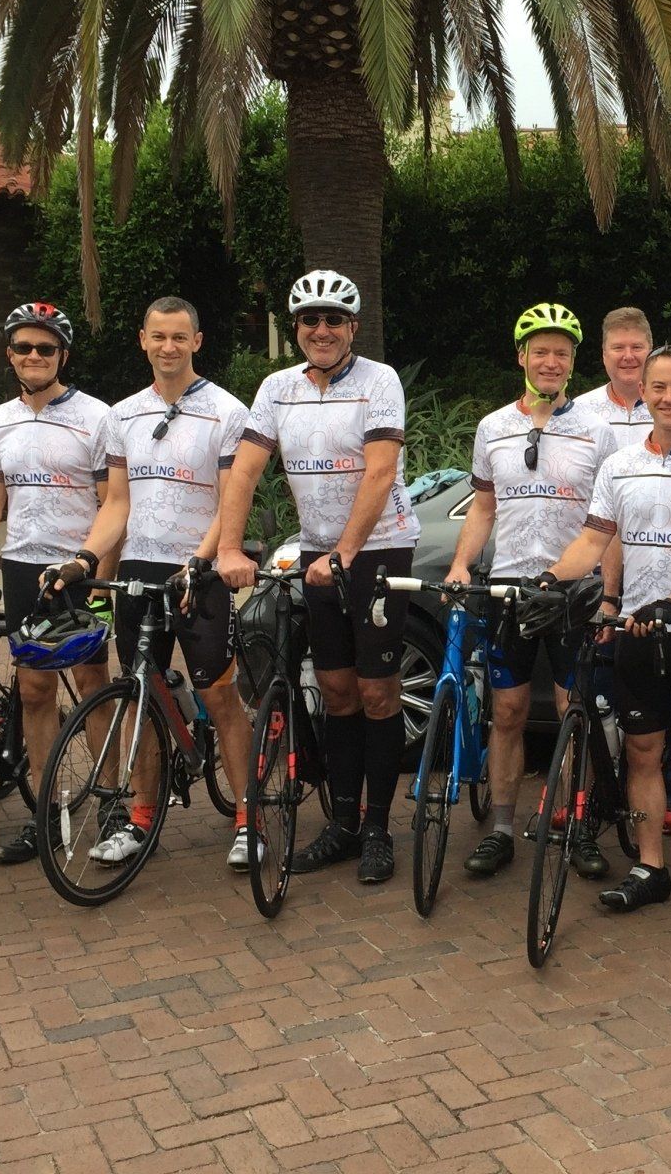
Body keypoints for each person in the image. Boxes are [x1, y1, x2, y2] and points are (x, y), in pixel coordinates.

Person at [217, 270, 421, 884]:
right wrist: (228, 548)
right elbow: (246, 471)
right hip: (316, 553)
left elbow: (380, 472)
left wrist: (345, 553)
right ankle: (343, 825)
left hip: (380, 548)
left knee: (377, 692)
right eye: (311, 320)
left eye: (334, 319)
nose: (322, 329)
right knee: (335, 691)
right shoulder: (277, 388)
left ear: (352, 327)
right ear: (296, 328)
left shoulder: (379, 380)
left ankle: (379, 828)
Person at [545, 345, 671, 923]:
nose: (668, 397)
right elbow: (594, 540)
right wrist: (550, 578)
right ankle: (651, 867)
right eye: (658, 387)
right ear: (645, 392)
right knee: (642, 753)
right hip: (636, 629)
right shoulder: (618, 465)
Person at [62, 298, 253, 870]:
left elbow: (231, 500)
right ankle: (141, 816)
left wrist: (200, 560)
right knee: (139, 691)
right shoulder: (122, 414)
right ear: (142, 340)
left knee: (219, 695)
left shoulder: (227, 411)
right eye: (158, 337)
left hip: (199, 569)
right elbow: (117, 503)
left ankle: (250, 819)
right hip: (139, 569)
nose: (168, 347)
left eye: (179, 337)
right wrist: (87, 560)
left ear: (197, 341)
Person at [446, 303, 617, 880]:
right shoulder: (493, 427)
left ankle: (576, 823)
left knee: (575, 711)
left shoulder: (597, 431)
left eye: (561, 353)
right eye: (540, 351)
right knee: (508, 710)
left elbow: (609, 524)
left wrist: (609, 594)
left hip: (574, 592)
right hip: (509, 588)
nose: (550, 362)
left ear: (572, 361)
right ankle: (500, 829)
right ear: (521, 356)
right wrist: (461, 564)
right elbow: (483, 507)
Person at [0, 302, 115, 865]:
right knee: (34, 691)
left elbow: (113, 504)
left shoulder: (97, 417)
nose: (34, 356)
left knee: (92, 683)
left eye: (46, 348)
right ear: (10, 355)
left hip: (79, 568)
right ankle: (45, 812)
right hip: (21, 566)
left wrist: (98, 576)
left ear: (63, 355)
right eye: (24, 347)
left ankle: (111, 804)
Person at [571, 306, 671, 834]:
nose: (628, 356)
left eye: (637, 347)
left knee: (662, 681)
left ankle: (669, 795)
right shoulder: (583, 411)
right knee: (607, 686)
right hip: (603, 559)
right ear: (604, 354)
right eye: (619, 347)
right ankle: (596, 794)